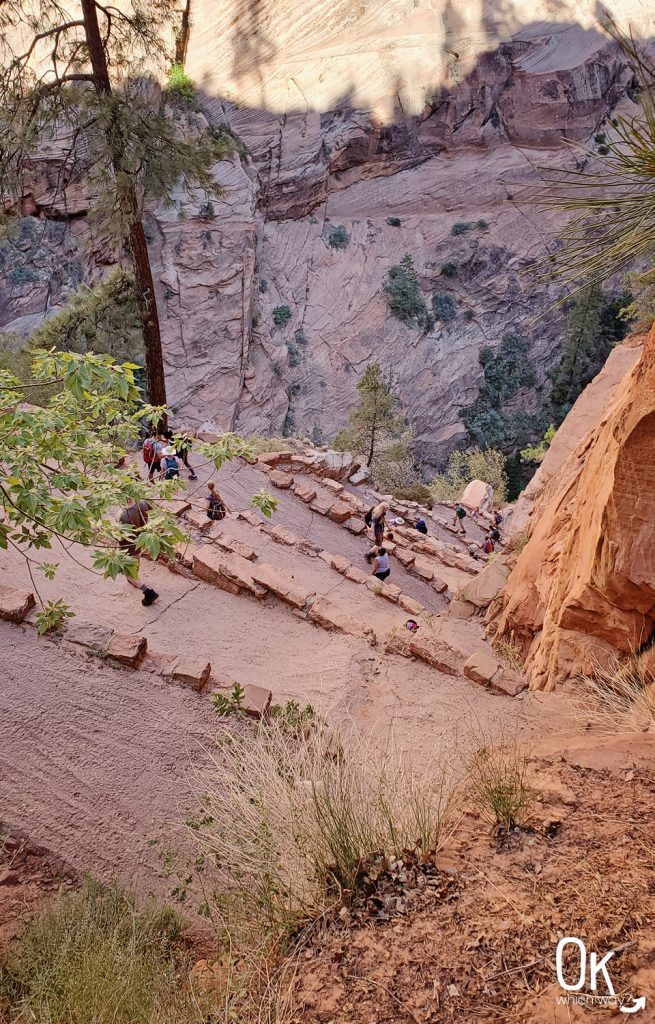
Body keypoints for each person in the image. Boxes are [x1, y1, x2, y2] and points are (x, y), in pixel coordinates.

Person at [117, 498, 159, 606]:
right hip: (140, 541)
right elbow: (153, 513)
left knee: (130, 573)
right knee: (136, 561)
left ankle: (148, 592)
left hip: (128, 547)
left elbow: (121, 538)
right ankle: (134, 578)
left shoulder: (123, 515)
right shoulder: (143, 502)